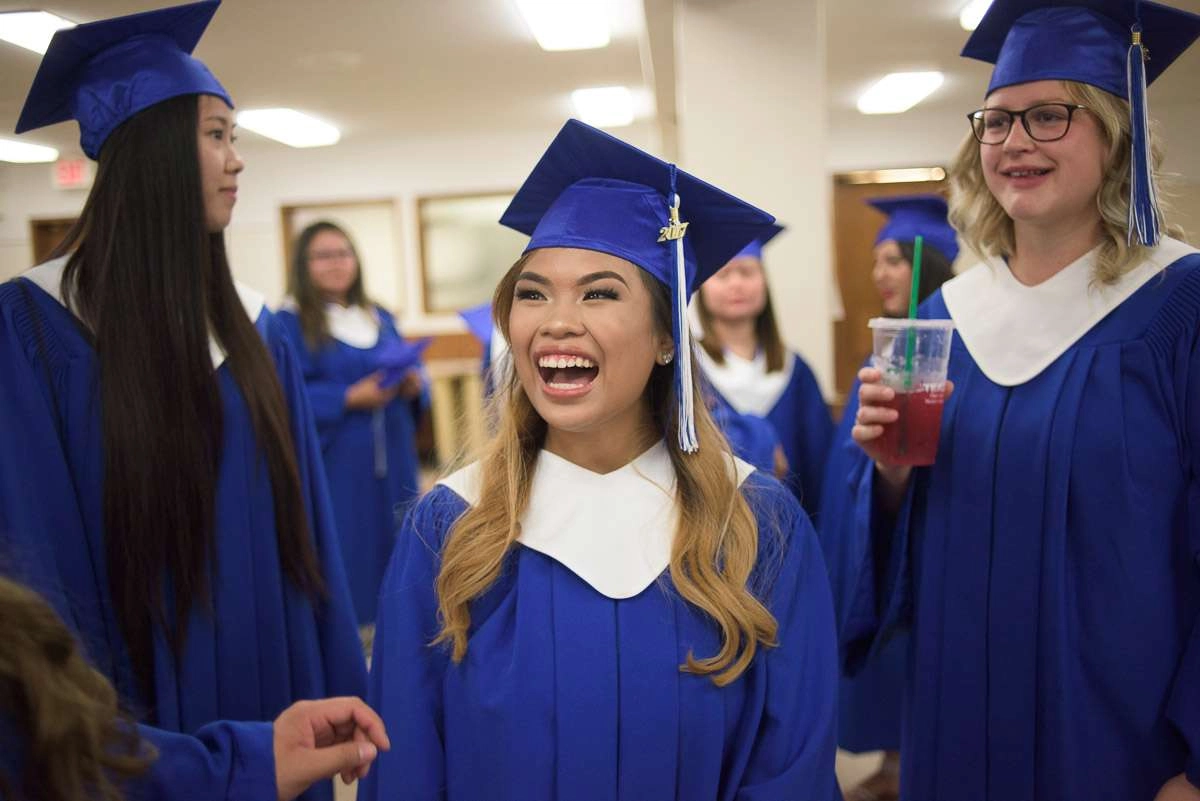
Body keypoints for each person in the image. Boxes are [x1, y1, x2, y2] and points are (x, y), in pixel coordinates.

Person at [359, 119, 840, 801]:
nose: (556, 320)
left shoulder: (757, 527)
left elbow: (791, 766)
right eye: (533, 292)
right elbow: (407, 764)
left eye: (600, 291)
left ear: (668, 337)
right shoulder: (450, 530)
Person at [0, 3, 382, 798]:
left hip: (272, 691)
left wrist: (347, 690)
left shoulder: (255, 328)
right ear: (154, 150)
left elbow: (306, 535)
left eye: (235, 136)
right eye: (215, 134)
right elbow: (38, 555)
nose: (236, 160)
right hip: (128, 711)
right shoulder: (32, 328)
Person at [841, 1, 1200, 799]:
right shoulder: (942, 321)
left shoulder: (1182, 309)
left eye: (1049, 116)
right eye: (996, 122)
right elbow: (899, 551)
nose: (1014, 143)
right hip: (952, 727)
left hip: (1122, 744)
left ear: (1118, 135)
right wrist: (891, 477)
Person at [820, 195, 958, 801]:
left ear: (928, 266)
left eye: (895, 260)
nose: (880, 274)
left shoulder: (952, 346)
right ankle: (894, 761)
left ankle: (910, 765)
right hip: (872, 511)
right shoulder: (886, 349)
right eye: (877, 261)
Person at [277, 221, 428, 626]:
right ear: (302, 265)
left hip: (393, 455)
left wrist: (415, 385)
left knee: (399, 540)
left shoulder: (377, 317)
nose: (336, 264)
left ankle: (399, 627)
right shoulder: (288, 324)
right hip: (338, 461)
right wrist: (346, 398)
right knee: (348, 544)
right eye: (323, 256)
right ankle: (351, 634)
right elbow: (281, 396)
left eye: (344, 253)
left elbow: (410, 366)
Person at [693, 225, 834, 514]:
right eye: (722, 274)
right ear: (702, 288)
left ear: (764, 282)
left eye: (747, 272)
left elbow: (820, 464)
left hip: (789, 519)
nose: (736, 284)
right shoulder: (687, 369)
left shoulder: (794, 371)